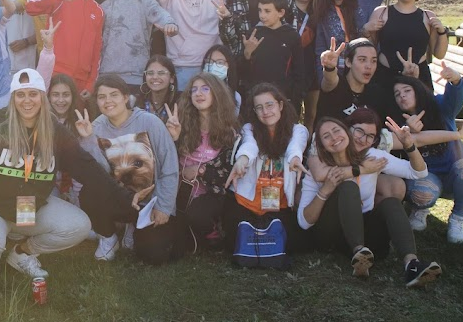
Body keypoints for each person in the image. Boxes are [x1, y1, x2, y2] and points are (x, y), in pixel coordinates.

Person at [0, 69, 137, 283]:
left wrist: (125, 198)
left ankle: (22, 253)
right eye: (21, 94)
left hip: (24, 206)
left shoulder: (54, 130)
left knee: (79, 225)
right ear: (13, 97)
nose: (27, 101)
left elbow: (87, 168)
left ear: (42, 97)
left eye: (33, 94)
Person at [299, 114, 442, 288]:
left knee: (391, 202)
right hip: (332, 236)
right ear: (320, 144)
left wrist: (409, 145)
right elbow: (304, 223)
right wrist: (325, 190)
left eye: (337, 131)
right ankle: (358, 253)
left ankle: (412, 264)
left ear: (346, 132)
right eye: (326, 136)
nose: (334, 137)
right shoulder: (319, 168)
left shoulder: (371, 157)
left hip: (367, 234)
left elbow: (418, 173)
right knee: (348, 187)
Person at [77, 75, 182, 265]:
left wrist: (164, 207)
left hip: (151, 202)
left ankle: (133, 228)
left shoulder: (150, 123)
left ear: (126, 97)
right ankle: (108, 237)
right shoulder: (96, 128)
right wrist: (88, 139)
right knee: (88, 192)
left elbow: (170, 166)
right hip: (119, 198)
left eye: (114, 95)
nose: (108, 101)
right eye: (102, 97)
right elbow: (95, 172)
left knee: (154, 256)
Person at [390, 66, 463, 243]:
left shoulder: (438, 105)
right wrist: (409, 131)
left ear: (418, 90)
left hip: (454, 173)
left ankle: (458, 219)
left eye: (407, 90)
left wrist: (455, 80)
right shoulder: (397, 122)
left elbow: (454, 99)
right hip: (426, 176)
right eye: (397, 94)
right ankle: (420, 209)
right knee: (422, 193)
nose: (402, 95)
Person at [225, 84, 309, 248]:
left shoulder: (297, 130)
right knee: (236, 241)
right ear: (255, 112)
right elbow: (249, 145)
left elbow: (296, 145)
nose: (265, 111)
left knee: (292, 243)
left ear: (280, 105)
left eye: (270, 105)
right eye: (259, 107)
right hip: (247, 202)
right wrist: (242, 160)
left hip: (279, 205)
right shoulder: (249, 128)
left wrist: (295, 158)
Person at [24, 0, 108, 97]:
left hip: (82, 82)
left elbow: (96, 50)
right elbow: (30, 5)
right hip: (56, 74)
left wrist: (91, 83)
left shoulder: (98, 11)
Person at [174, 72, 240, 250]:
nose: (198, 93)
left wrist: (200, 170)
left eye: (205, 88)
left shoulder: (229, 130)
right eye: (194, 90)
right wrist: (172, 138)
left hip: (212, 192)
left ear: (216, 93)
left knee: (197, 215)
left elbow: (229, 171)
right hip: (181, 190)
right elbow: (166, 159)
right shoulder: (181, 124)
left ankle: (213, 231)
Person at [100, 0, 178, 93]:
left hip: (135, 76)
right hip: (106, 76)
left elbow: (160, 14)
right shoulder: (104, 6)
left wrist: (169, 24)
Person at [364, 0, 450, 91]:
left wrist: (442, 32)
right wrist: (365, 30)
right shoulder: (381, 13)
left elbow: (439, 54)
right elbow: (370, 48)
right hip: (385, 78)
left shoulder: (428, 17)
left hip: (419, 79)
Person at [234, 0, 302, 100]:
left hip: (283, 97)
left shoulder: (292, 36)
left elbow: (299, 72)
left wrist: (295, 99)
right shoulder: (253, 34)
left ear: (281, 12)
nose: (262, 15)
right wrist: (247, 53)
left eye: (267, 11)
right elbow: (242, 72)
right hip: (256, 96)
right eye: (260, 10)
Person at [288, 0, 319, 125]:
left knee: (311, 114)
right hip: (290, 70)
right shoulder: (285, 11)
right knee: (292, 113)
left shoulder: (319, 13)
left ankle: (306, 147)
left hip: (312, 69)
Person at [138, 55, 178, 123]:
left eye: (161, 73)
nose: (155, 77)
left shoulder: (180, 105)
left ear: (171, 78)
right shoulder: (136, 103)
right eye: (150, 73)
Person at [200, 43, 241, 109]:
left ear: (229, 66)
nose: (213, 66)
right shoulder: (196, 92)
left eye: (220, 62)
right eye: (209, 62)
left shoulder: (235, 96)